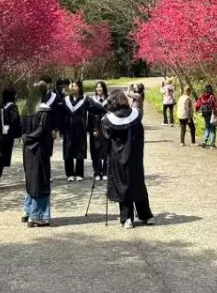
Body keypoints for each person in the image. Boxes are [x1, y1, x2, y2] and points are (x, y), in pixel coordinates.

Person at [101, 90, 154, 229]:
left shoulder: (108, 120)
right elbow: (138, 100)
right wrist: (131, 94)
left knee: (123, 186)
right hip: (135, 157)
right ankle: (146, 215)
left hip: (119, 159)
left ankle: (127, 218)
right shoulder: (136, 114)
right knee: (138, 184)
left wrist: (105, 155)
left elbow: (105, 141)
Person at [21, 80, 54, 226]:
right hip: (40, 150)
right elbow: (42, 131)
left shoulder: (27, 110)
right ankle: (37, 215)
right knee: (40, 181)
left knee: (31, 180)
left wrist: (26, 138)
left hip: (28, 150)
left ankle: (27, 211)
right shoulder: (44, 110)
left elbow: (21, 130)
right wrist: (30, 138)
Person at [0, 87, 22, 188]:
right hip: (7, 135)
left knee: (0, 155)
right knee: (2, 158)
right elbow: (15, 120)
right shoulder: (12, 107)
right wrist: (19, 132)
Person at [61, 81, 89, 181]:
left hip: (80, 129)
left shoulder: (85, 99)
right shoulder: (66, 100)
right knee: (68, 150)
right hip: (68, 129)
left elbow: (95, 110)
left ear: (80, 87)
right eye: (72, 86)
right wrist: (60, 129)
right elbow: (61, 115)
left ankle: (79, 174)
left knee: (79, 150)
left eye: (75, 86)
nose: (73, 88)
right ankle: (69, 174)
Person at [87, 81, 109, 181]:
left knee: (106, 150)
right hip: (96, 128)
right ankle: (97, 172)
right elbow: (90, 116)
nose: (99, 89)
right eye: (97, 87)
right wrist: (94, 129)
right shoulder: (92, 100)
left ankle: (105, 171)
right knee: (95, 150)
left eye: (100, 87)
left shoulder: (109, 99)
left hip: (107, 128)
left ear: (104, 88)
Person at [195, 84, 217, 149]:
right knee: (213, 129)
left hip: (205, 114)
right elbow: (216, 105)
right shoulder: (212, 96)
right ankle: (212, 144)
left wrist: (196, 110)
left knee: (207, 127)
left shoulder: (201, 96)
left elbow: (197, 105)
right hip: (212, 114)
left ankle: (204, 142)